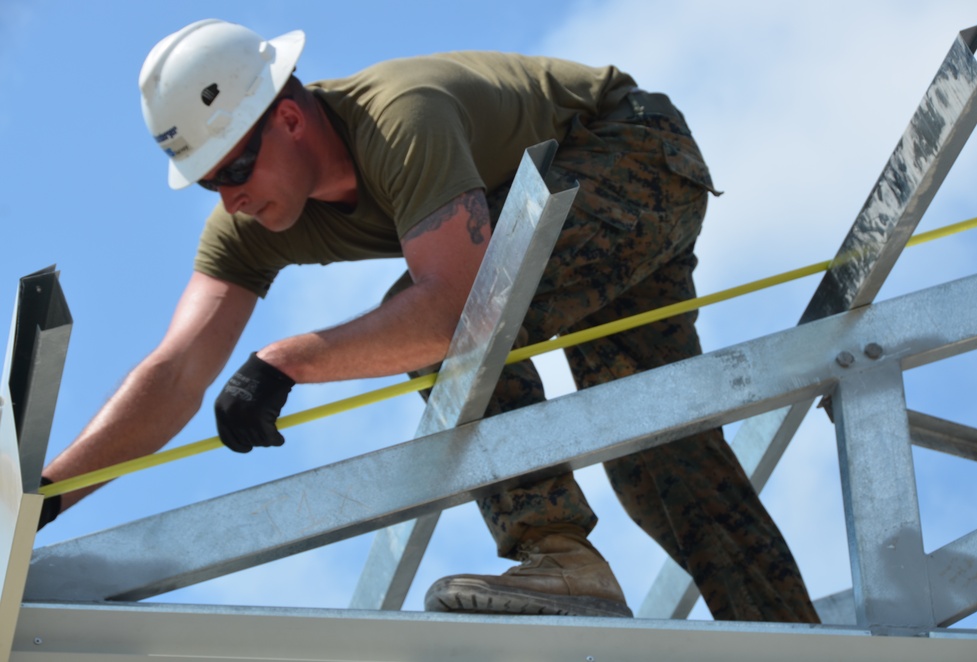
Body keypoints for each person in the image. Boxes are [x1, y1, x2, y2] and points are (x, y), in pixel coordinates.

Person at [39, 18, 819, 623]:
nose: (230, 197)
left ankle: (555, 552)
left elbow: (453, 314)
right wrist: (43, 498)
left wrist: (286, 361)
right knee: (660, 456)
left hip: (632, 156)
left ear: (289, 119)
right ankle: (793, 642)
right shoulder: (247, 222)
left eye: (235, 168)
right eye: (209, 182)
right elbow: (175, 370)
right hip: (543, 212)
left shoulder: (398, 119)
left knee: (429, 325)